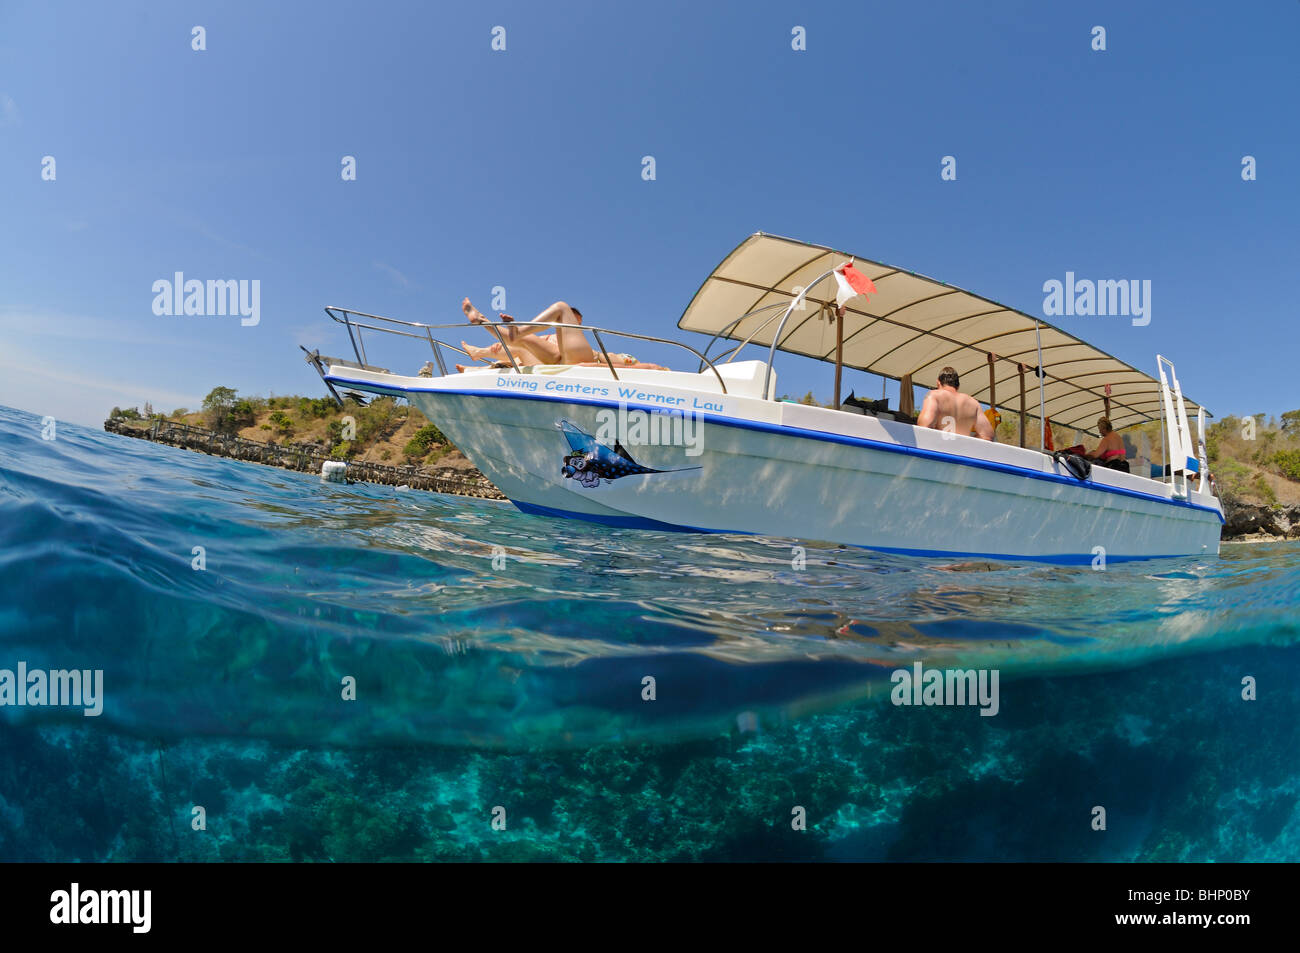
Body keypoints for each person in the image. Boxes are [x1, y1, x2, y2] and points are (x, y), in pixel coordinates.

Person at [455, 298, 665, 371]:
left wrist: (591, 366)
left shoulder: (633, 362)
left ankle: (506, 330)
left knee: (561, 308)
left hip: (582, 361)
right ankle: (484, 322)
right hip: (560, 361)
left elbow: (650, 367)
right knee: (525, 339)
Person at [916, 366, 995, 441]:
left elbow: (924, 427)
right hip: (961, 453)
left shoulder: (934, 395)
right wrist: (966, 444)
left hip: (940, 451)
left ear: (938, 383)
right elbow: (987, 435)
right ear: (958, 386)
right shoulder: (973, 403)